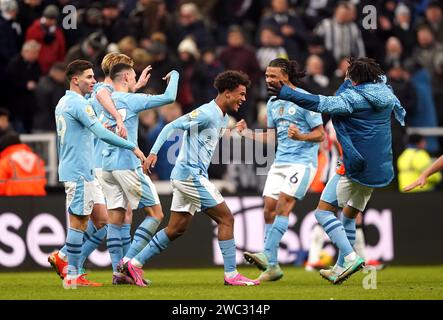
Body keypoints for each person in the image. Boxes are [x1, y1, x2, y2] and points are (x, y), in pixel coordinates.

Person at [267, 57, 406, 284]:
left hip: (355, 166)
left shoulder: (351, 100)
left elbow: (319, 103)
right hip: (378, 168)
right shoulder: (386, 94)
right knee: (349, 216)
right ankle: (340, 267)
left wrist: (286, 93)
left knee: (322, 212)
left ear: (352, 78)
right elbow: (381, 78)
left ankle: (351, 257)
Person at [121, 70, 259, 287]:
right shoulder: (205, 112)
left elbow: (210, 135)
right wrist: (154, 153)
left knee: (176, 228)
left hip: (188, 176)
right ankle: (231, 274)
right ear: (227, 92)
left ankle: (134, 263)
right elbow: (171, 126)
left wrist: (234, 129)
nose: (244, 99)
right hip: (189, 176)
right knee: (227, 219)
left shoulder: (221, 116)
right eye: (240, 94)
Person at [52, 59, 146, 288]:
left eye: (94, 76)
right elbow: (99, 133)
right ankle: (73, 275)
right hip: (79, 171)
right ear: (75, 80)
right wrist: (131, 146)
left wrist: (132, 90)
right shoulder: (78, 104)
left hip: (85, 171)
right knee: (79, 222)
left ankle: (65, 260)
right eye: (89, 77)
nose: (94, 80)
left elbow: (90, 128)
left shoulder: (65, 102)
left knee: (102, 220)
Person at [236, 58, 325, 281]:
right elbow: (273, 137)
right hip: (281, 161)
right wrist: (246, 134)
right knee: (268, 208)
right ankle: (273, 267)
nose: (268, 80)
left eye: (273, 76)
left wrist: (302, 136)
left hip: (303, 162)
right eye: (267, 76)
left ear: (285, 76)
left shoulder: (305, 99)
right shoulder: (273, 103)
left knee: (284, 205)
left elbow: (321, 134)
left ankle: (266, 254)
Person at [100, 62, 179, 285]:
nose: (136, 80)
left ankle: (118, 272)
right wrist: (175, 73)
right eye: (134, 76)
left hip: (106, 165)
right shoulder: (131, 100)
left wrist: (136, 88)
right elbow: (169, 98)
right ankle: (128, 263)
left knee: (116, 215)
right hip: (126, 163)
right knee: (156, 214)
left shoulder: (104, 99)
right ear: (125, 77)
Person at [0, 131, 46, 196]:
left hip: (12, 202)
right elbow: (43, 181)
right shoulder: (36, 159)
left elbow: (0, 187)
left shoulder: (6, 161)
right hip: (38, 200)